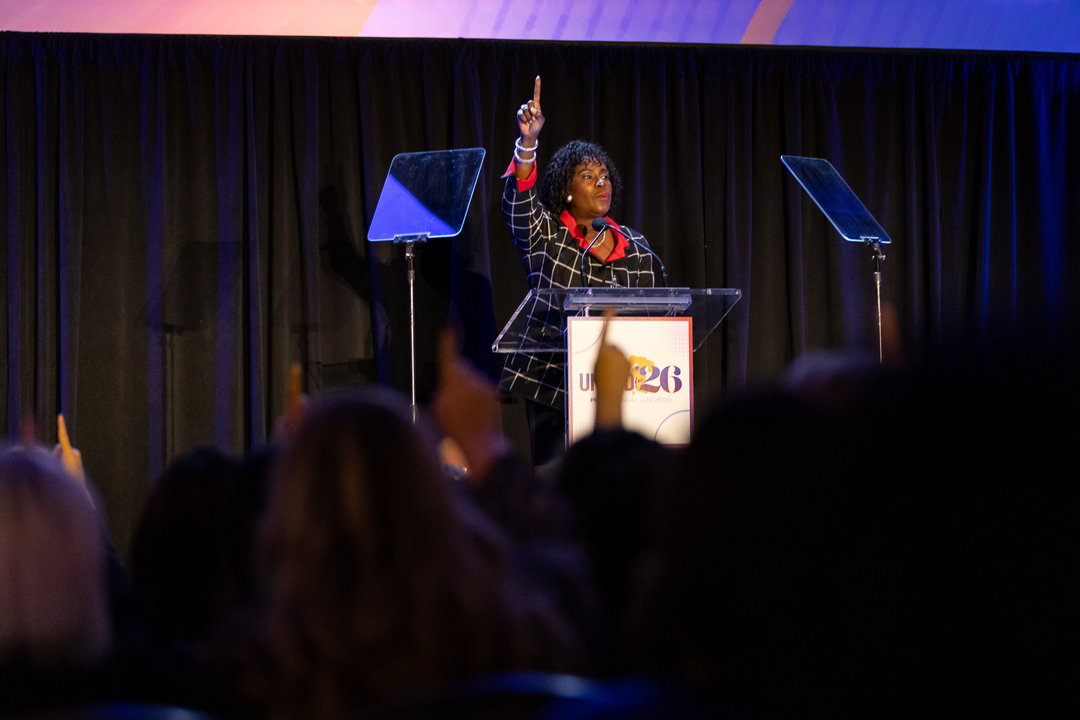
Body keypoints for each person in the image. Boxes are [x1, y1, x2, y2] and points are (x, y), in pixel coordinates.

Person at [501, 77, 658, 464]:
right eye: (588, 176)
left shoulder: (636, 247)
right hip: (556, 385)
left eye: (604, 175)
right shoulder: (548, 235)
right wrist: (528, 144)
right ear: (567, 190)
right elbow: (518, 207)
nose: (600, 181)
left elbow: (660, 318)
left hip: (632, 387)